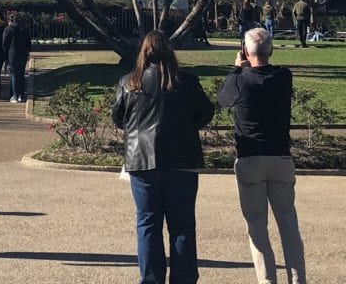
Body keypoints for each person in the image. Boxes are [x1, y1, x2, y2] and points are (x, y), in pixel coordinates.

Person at [112, 30, 214, 284]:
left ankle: (151, 279)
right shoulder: (186, 81)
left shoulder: (129, 82)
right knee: (182, 226)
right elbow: (206, 113)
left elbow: (119, 118)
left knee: (148, 224)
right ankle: (184, 279)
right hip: (181, 160)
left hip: (142, 160)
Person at [218, 27, 306, 284]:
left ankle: (267, 280)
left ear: (245, 51)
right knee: (288, 223)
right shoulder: (283, 76)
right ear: (271, 51)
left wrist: (236, 68)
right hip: (280, 156)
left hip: (250, 158)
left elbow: (223, 100)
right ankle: (298, 279)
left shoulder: (240, 79)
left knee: (257, 226)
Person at [2, 13, 31, 103]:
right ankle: (21, 95)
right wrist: (27, 51)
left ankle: (14, 95)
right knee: (21, 74)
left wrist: (5, 56)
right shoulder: (25, 29)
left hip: (12, 54)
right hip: (23, 54)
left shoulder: (8, 29)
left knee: (14, 74)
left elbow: (5, 43)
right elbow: (28, 43)